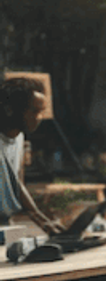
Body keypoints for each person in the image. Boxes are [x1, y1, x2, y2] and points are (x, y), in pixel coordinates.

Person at [0, 77, 64, 234]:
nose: (39, 118)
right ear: (10, 109)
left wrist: (43, 221)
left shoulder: (19, 138)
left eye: (41, 112)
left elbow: (17, 182)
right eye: (35, 111)